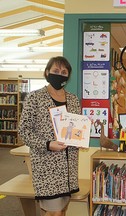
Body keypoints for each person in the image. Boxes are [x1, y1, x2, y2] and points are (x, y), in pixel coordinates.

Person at [18, 56, 81, 216]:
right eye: (56, 71)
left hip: (68, 168)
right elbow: (24, 131)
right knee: (55, 212)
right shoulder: (35, 97)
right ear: (47, 72)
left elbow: (76, 128)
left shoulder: (73, 100)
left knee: (61, 210)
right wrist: (47, 144)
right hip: (47, 166)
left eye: (64, 72)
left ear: (68, 76)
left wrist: (80, 138)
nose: (60, 74)